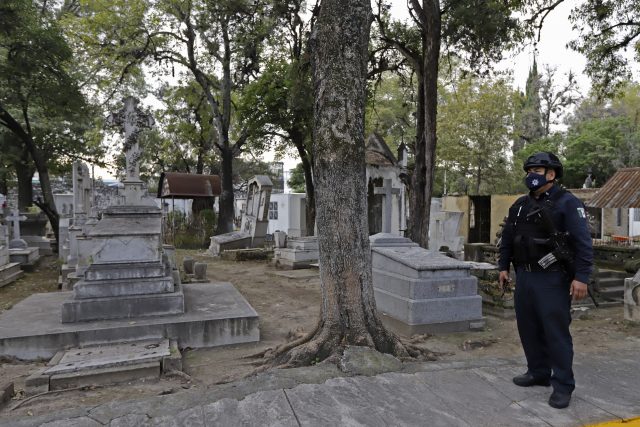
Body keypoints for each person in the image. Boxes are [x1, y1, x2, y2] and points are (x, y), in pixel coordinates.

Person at [498, 152, 593, 409]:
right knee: (528, 328)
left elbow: (583, 243)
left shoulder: (568, 203)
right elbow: (508, 237)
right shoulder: (519, 205)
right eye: (529, 171)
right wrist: (503, 266)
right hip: (525, 276)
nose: (532, 176)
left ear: (551, 174)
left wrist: (581, 277)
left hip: (553, 279)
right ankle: (538, 372)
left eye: (538, 171)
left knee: (555, 333)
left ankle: (563, 384)